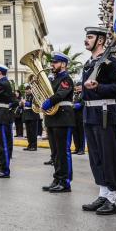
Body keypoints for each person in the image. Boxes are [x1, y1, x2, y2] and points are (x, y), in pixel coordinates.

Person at [80, 26, 116, 217]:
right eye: (86, 37)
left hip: (105, 111)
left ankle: (114, 198)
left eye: (90, 37)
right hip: (90, 112)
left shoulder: (111, 62)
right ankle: (103, 193)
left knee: (109, 156)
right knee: (96, 157)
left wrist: (99, 86)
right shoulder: (89, 64)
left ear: (100, 40)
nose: (86, 40)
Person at [40, 52, 76, 192]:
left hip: (63, 117)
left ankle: (65, 182)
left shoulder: (66, 78)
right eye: (52, 62)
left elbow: (61, 94)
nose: (52, 65)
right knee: (55, 152)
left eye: (55, 62)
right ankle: (57, 178)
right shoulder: (53, 79)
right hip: (52, 118)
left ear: (64, 64)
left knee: (63, 151)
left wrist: (48, 102)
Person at [21, 85, 39, 151]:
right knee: (28, 132)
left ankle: (34, 146)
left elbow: (34, 105)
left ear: (30, 89)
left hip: (33, 115)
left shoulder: (34, 96)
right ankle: (29, 145)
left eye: (27, 90)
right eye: (26, 90)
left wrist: (25, 102)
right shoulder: (26, 96)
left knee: (33, 132)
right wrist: (22, 103)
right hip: (27, 115)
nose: (26, 92)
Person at [72, 84, 86, 155]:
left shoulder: (84, 94)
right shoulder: (74, 95)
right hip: (74, 116)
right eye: (77, 87)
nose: (77, 88)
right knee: (75, 133)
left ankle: (81, 149)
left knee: (81, 133)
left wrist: (75, 105)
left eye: (79, 86)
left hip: (81, 116)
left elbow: (83, 103)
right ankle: (77, 148)